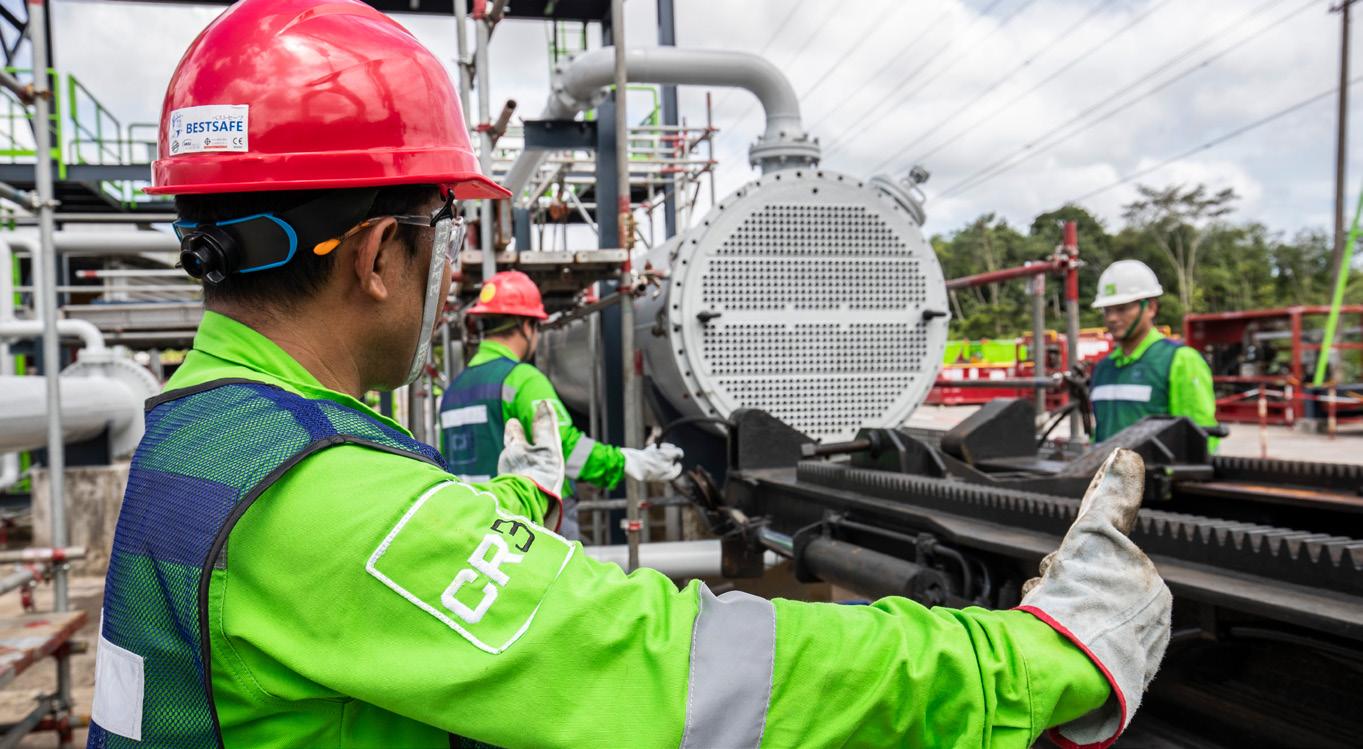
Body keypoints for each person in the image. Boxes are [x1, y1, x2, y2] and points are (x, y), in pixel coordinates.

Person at [87, 2, 1171, 747]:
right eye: (441, 235)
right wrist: (1036, 659)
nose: (446, 271)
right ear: (376, 255)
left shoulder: (195, 429)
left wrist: (518, 506)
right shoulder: (320, 498)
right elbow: (672, 667)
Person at [441, 270, 683, 539]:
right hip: (532, 520)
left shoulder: (453, 390)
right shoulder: (522, 380)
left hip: (477, 523)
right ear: (526, 325)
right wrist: (628, 462)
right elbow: (565, 447)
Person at [1090, 259, 1221, 450]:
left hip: (1159, 471)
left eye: (1122, 308)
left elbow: (1200, 438)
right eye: (1107, 310)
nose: (1112, 318)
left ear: (1151, 307)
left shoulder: (1180, 360)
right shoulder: (1103, 368)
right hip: (1108, 470)